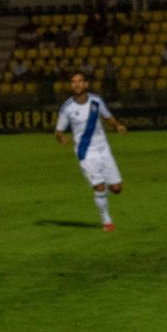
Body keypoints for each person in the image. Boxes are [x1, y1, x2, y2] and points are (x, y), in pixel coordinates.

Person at [53, 71, 128, 232]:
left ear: (86, 84)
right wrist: (62, 138)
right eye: (73, 82)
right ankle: (107, 221)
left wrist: (117, 126)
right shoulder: (67, 107)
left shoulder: (96, 101)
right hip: (85, 152)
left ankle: (102, 192)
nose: (77, 84)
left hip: (104, 149)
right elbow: (58, 131)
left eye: (80, 81)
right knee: (99, 187)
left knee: (117, 188)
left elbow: (107, 117)